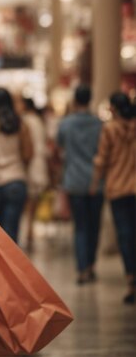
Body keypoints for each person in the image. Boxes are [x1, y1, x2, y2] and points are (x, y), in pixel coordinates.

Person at [90, 91, 136, 304]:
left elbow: (102, 159)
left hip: (117, 188)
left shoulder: (110, 129)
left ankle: (130, 281)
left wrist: (94, 183)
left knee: (125, 236)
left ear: (114, 108)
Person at [56, 84, 103, 285]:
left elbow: (59, 146)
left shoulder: (66, 124)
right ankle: (91, 265)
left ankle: (82, 268)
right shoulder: (99, 124)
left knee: (81, 226)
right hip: (96, 181)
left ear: (75, 100)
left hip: (74, 180)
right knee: (95, 225)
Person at [0, 87, 33, 244]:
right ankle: (11, 265)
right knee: (12, 230)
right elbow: (27, 154)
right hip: (16, 180)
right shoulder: (20, 123)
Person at [22, 97, 49, 251]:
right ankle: (29, 231)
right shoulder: (39, 121)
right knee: (33, 201)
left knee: (27, 201)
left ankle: (28, 232)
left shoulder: (26, 121)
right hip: (40, 164)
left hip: (29, 165)